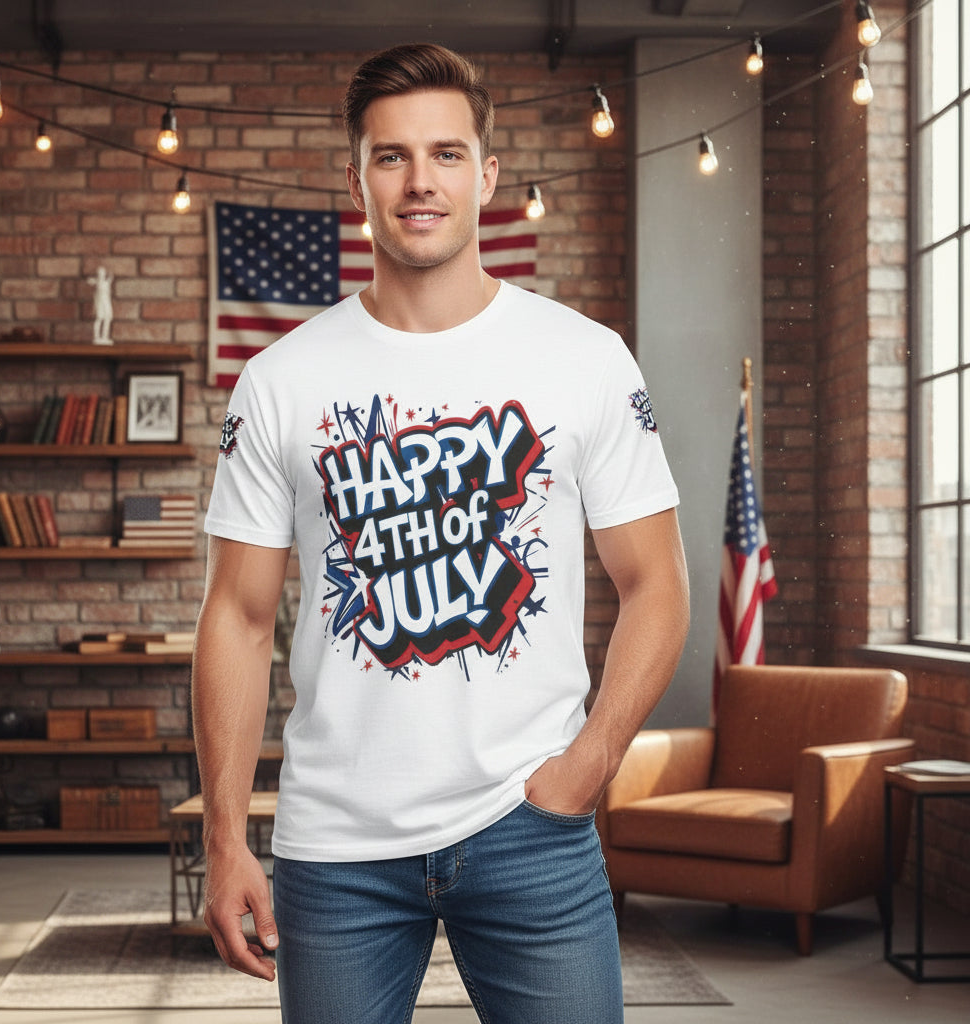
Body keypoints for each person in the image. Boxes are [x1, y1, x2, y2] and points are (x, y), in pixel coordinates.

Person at [193, 42, 689, 1024]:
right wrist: (223, 837)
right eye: (391, 156)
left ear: (487, 174)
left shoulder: (584, 359)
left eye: (446, 154)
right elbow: (238, 618)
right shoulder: (281, 379)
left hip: (530, 823)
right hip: (336, 842)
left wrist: (587, 766)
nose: (420, 181)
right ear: (357, 179)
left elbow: (658, 584)